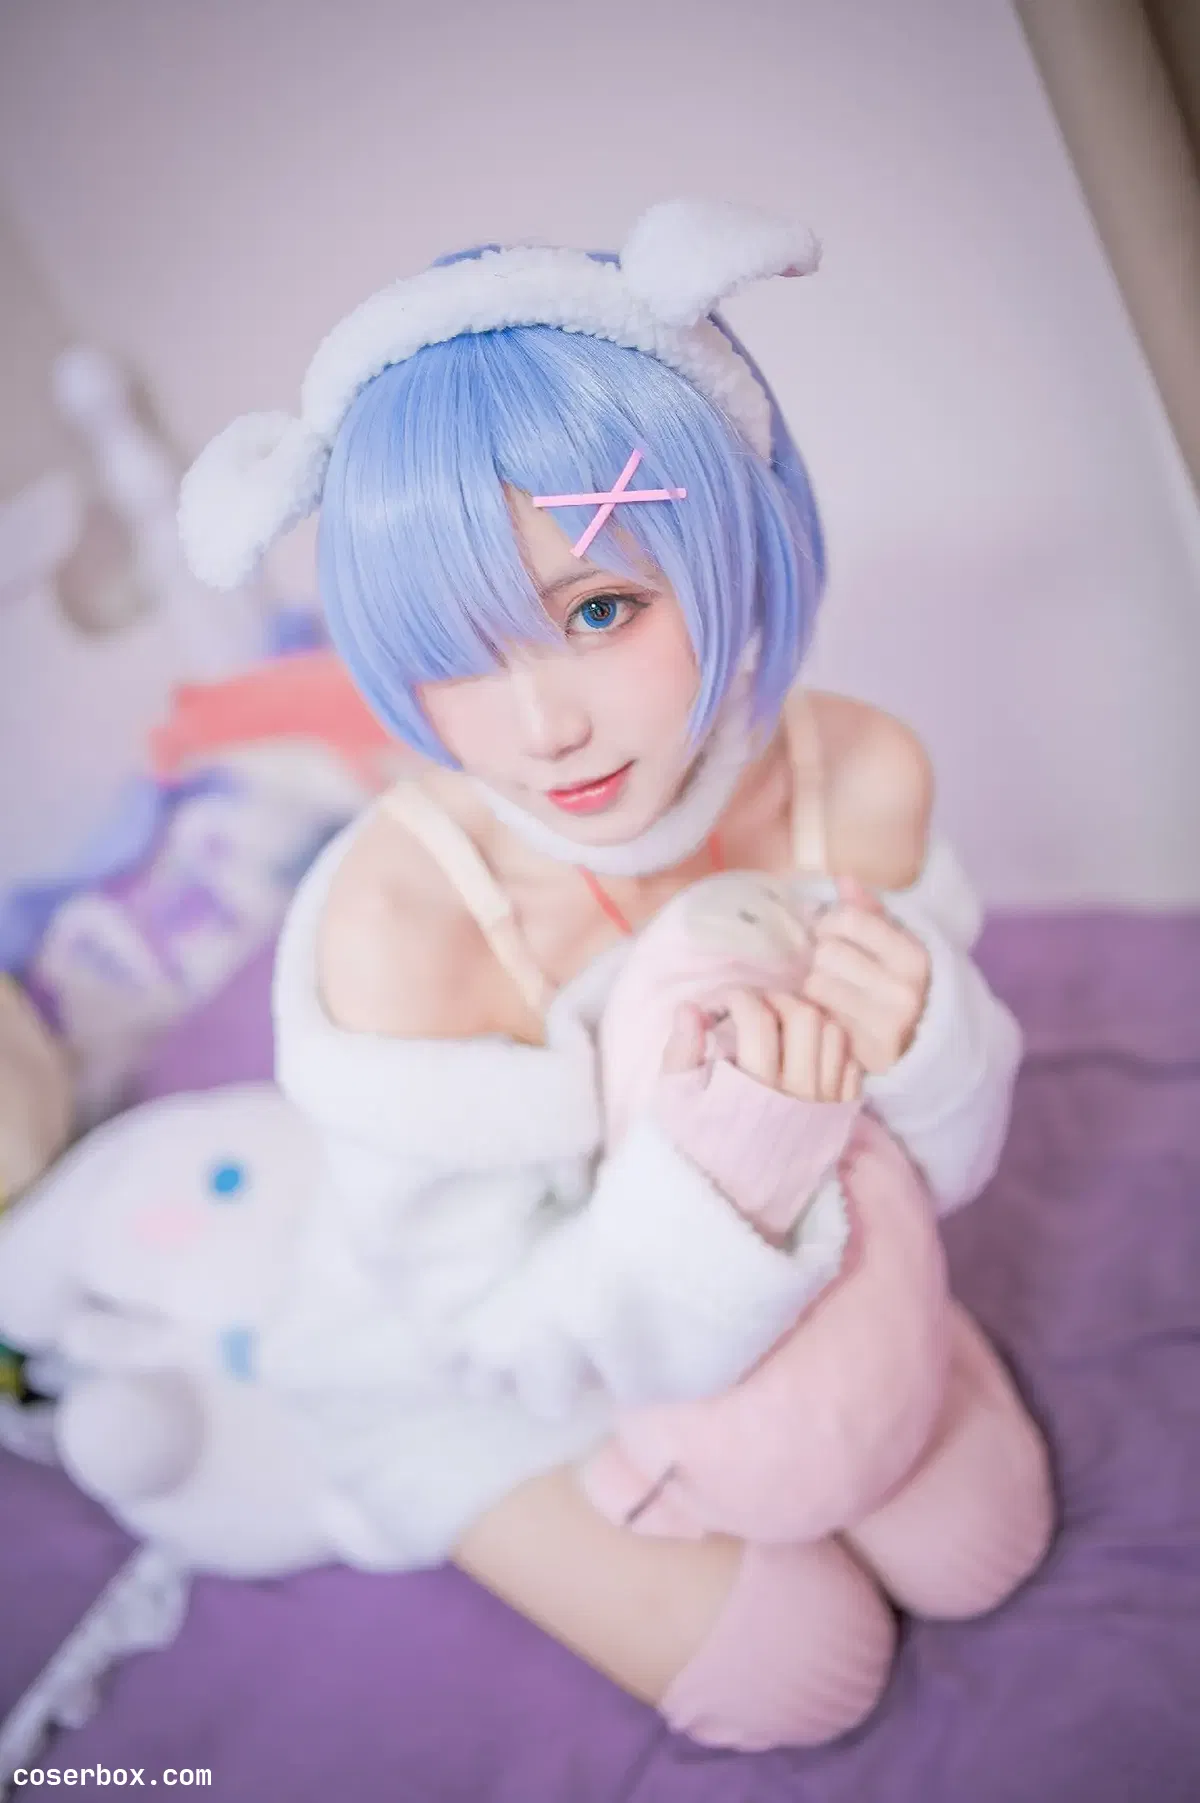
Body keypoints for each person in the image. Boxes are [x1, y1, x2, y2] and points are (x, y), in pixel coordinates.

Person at [178, 200, 1032, 1751]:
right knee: (802, 1670)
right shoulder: (408, 924)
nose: (542, 728)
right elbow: (494, 1329)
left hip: (810, 1289)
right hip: (487, 1354)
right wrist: (728, 1188)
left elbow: (935, 1168)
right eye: (455, 648)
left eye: (598, 609)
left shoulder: (852, 775)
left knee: (986, 1543)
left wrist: (930, 1046)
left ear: (731, 537)